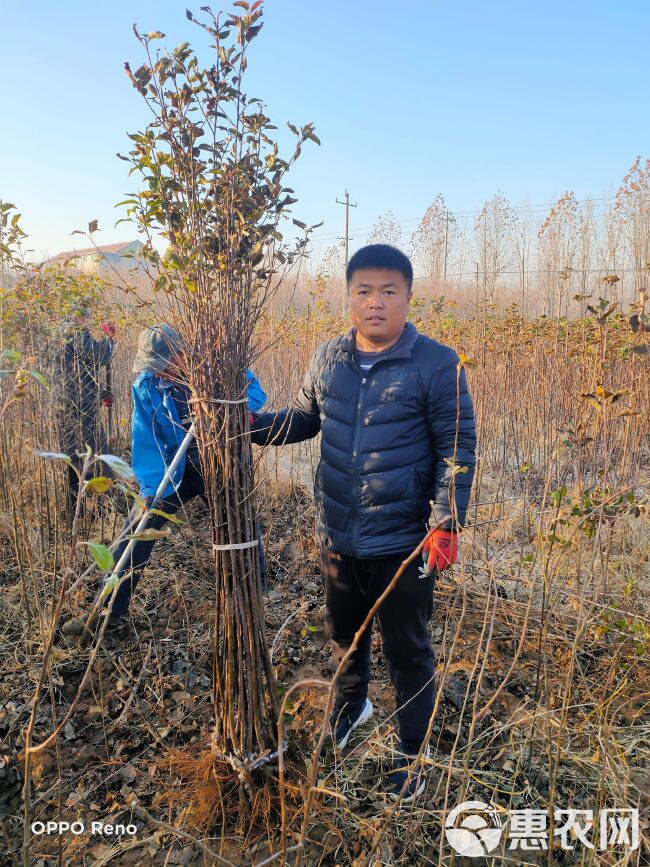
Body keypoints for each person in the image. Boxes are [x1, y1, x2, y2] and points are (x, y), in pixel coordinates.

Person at [250, 244, 476, 801]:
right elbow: (305, 419)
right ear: (349, 296)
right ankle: (352, 707)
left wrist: (446, 521)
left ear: (408, 295)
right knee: (343, 638)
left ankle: (412, 754)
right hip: (338, 534)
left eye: (388, 291)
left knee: (408, 649)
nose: (375, 303)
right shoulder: (329, 358)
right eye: (363, 291)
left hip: (404, 540)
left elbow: (456, 444)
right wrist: (249, 424)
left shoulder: (436, 363)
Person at [100, 324, 268, 621]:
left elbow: (256, 393)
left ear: (181, 354)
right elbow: (146, 440)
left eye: (163, 365)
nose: (159, 373)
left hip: (219, 466)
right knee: (137, 528)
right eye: (153, 367)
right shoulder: (146, 385)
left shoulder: (217, 367)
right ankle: (109, 609)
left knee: (239, 523)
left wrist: (222, 411)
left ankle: (255, 592)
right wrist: (152, 491)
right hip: (174, 469)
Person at [58, 305, 115, 517]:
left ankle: (78, 512)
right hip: (80, 408)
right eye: (88, 315)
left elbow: (80, 374)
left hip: (67, 404)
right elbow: (101, 357)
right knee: (96, 455)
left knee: (75, 457)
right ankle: (95, 512)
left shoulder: (61, 334)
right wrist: (109, 338)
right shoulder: (73, 332)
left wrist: (101, 393)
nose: (89, 320)